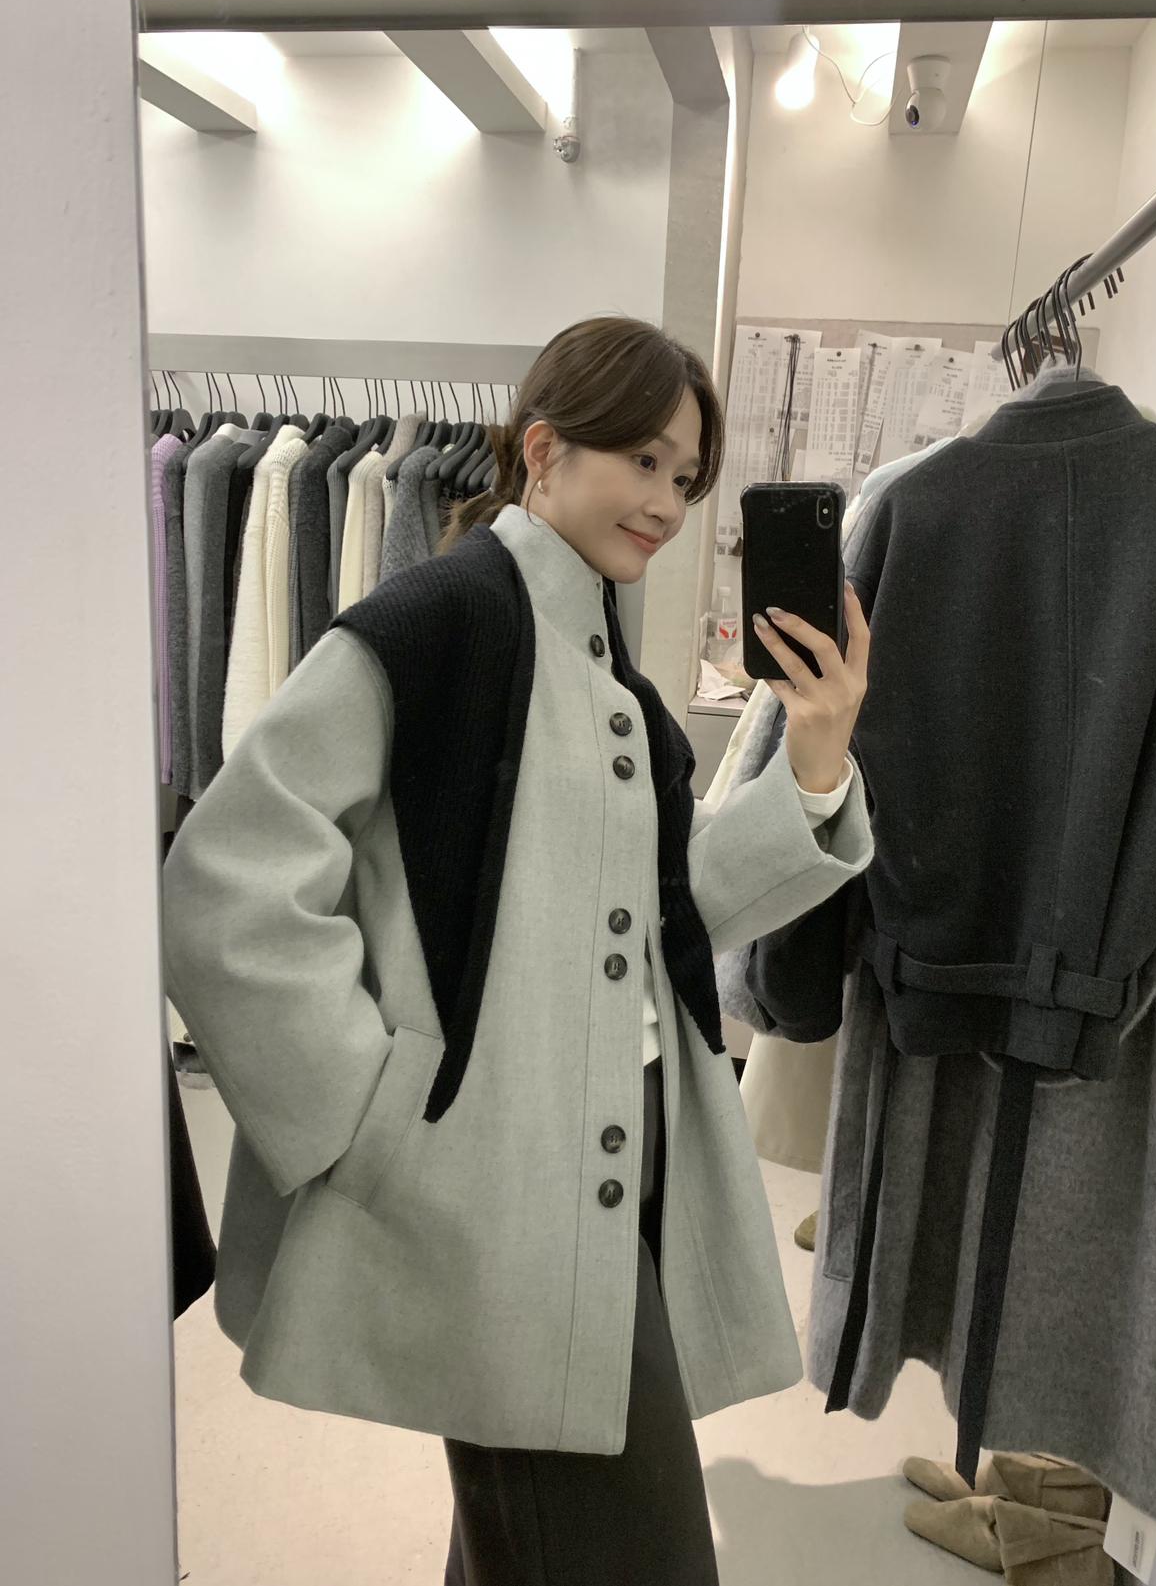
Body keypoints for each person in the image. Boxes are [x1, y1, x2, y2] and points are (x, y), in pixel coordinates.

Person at [161, 316, 874, 1585]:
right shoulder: (442, 621)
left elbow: (661, 915)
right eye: (643, 461)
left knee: (526, 1542)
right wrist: (373, 1116)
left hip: (623, 1160)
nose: (667, 504)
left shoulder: (597, 659)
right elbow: (226, 882)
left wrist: (815, 760)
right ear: (543, 450)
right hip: (504, 1195)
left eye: (685, 477)